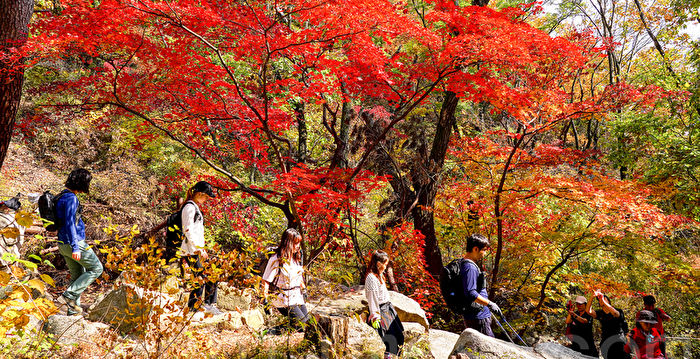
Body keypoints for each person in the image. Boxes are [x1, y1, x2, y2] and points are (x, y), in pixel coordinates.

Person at [55, 169, 104, 316]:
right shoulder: (71, 198)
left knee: (77, 275)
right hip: (73, 243)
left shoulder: (61, 196)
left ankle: (73, 311)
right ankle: (67, 296)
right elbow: (70, 223)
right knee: (96, 268)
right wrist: (76, 247)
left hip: (62, 243)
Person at [179, 181, 220, 314]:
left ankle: (207, 304)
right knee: (200, 277)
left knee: (210, 274)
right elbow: (187, 230)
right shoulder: (189, 207)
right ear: (200, 194)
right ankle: (194, 307)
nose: (207, 199)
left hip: (196, 249)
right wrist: (198, 249)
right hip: (192, 250)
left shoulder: (194, 207)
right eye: (206, 196)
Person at [261, 228, 308, 331]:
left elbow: (299, 277)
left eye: (299, 243)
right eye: (295, 243)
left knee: (308, 324)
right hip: (283, 298)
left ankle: (279, 329)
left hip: (297, 297)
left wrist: (304, 289)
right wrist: (265, 299)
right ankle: (271, 332)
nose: (298, 246)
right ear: (288, 243)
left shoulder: (296, 258)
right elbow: (266, 280)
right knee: (303, 325)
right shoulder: (276, 259)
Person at [365, 250, 405, 359]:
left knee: (399, 335)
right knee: (390, 340)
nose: (386, 267)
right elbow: (372, 298)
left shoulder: (380, 275)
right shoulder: (371, 278)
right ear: (379, 263)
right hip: (380, 311)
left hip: (388, 308)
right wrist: (375, 316)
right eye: (385, 264)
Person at [460, 234, 501, 337]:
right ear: (475, 249)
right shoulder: (470, 267)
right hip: (478, 317)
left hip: (474, 314)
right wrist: (490, 304)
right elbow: (470, 293)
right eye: (484, 250)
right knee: (489, 347)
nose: (485, 253)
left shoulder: (462, 263)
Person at [587, 290, 630, 359]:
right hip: (606, 342)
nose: (602, 300)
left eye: (604, 299)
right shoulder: (600, 313)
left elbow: (615, 314)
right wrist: (592, 297)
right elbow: (588, 311)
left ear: (609, 301)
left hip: (619, 341)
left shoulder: (618, 310)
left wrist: (603, 301)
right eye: (600, 300)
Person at [0, 196, 24, 268]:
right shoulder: (19, 220)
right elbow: (20, 241)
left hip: (6, 259)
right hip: (11, 259)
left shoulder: (9, 219)